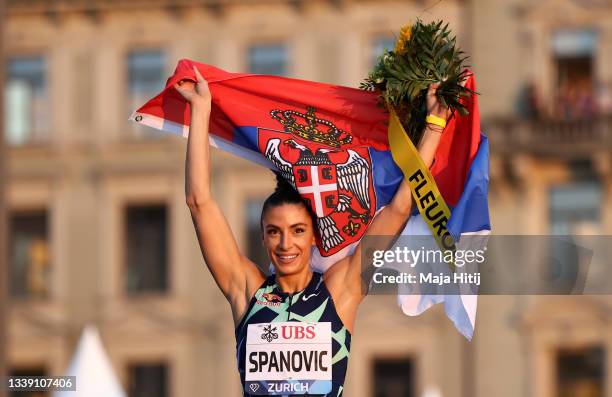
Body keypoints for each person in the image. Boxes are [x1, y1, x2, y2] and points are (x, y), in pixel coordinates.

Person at [175, 66, 451, 396]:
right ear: (262, 237)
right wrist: (201, 109)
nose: (285, 243)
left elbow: (399, 209)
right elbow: (199, 202)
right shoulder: (246, 290)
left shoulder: (339, 290)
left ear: (312, 235)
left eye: (297, 230)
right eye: (274, 232)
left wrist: (434, 126)